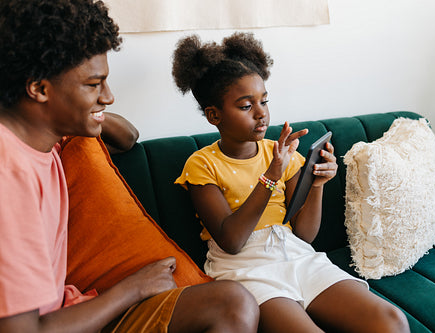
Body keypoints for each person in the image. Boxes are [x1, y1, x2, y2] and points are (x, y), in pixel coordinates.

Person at [0, 1, 259, 332]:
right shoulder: (9, 173)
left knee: (232, 304)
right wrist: (133, 288)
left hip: (69, 308)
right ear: (38, 88)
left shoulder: (45, 144)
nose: (108, 96)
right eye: (94, 85)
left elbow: (126, 136)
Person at [173, 32, 411, 333]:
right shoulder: (202, 164)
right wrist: (272, 175)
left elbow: (304, 234)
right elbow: (232, 241)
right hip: (246, 268)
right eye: (246, 106)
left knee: (392, 322)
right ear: (213, 115)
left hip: (297, 256)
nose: (261, 113)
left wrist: (317, 185)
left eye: (264, 101)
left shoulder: (281, 153)